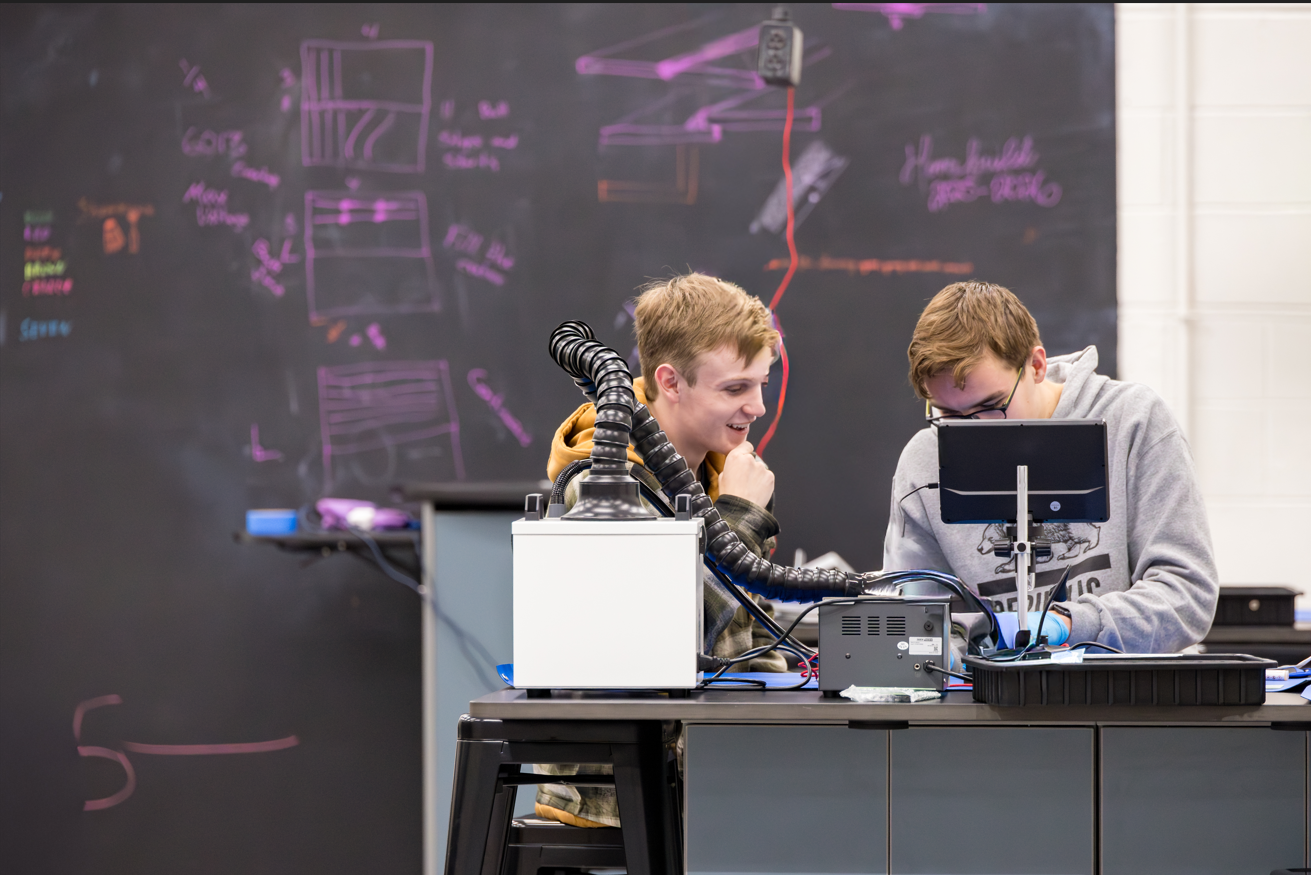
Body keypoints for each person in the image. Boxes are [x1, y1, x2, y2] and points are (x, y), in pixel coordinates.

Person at [536, 272, 787, 828]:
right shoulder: (604, 482)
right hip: (632, 777)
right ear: (670, 382)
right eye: (735, 389)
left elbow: (753, 635)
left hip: (715, 751)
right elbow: (664, 641)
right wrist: (741, 519)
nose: (757, 406)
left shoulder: (717, 473)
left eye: (761, 384)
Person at [883, 280, 1218, 654]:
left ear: (1036, 365)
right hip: (989, 692)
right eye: (949, 415)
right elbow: (913, 622)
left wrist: (1067, 625)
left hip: (1119, 688)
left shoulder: (1133, 422)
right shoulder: (924, 463)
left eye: (990, 406)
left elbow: (1186, 596)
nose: (973, 431)